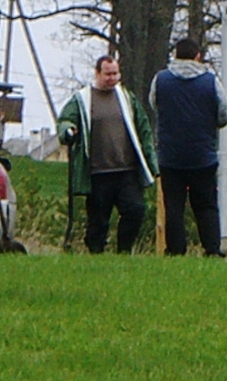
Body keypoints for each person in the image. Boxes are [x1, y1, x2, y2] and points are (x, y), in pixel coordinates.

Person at [57, 55, 158, 254]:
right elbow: (65, 120)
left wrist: (151, 162)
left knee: (135, 210)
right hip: (98, 174)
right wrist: (68, 131)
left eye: (115, 74)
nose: (112, 78)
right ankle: (96, 254)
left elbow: (143, 128)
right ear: (97, 73)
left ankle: (124, 251)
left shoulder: (127, 98)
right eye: (108, 74)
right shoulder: (82, 99)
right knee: (98, 221)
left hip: (126, 171)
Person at [149, 37, 227, 257]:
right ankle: (212, 249)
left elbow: (155, 104)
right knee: (206, 205)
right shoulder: (210, 81)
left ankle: (176, 250)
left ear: (175, 55)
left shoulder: (161, 80)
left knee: (173, 207)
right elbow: (225, 114)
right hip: (202, 155)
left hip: (170, 156)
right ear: (198, 56)